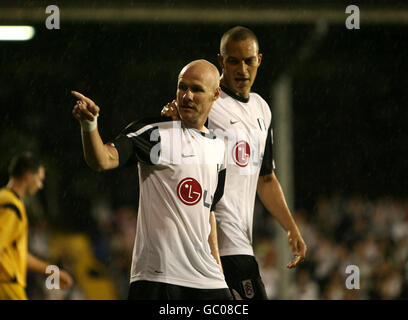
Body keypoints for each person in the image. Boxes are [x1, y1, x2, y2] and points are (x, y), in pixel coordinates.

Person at [162, 26, 307, 300]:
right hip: (217, 240)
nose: (242, 69)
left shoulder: (262, 108)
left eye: (248, 60)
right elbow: (179, 132)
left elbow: (265, 179)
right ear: (221, 61)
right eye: (233, 60)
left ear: (259, 60)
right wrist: (174, 118)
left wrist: (291, 227)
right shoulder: (210, 101)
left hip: (241, 241)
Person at [71, 59, 232, 300]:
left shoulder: (220, 148)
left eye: (196, 89)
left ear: (215, 93)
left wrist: (217, 265)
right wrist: (89, 125)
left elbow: (208, 212)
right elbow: (102, 160)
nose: (187, 95)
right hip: (159, 278)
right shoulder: (156, 133)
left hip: (208, 279)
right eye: (182, 87)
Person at [0, 152, 73, 300]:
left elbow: (17, 254)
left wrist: (52, 271)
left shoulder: (6, 199)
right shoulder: (11, 206)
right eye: (39, 179)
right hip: (7, 285)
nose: (40, 186)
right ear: (28, 175)